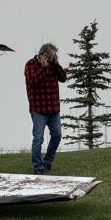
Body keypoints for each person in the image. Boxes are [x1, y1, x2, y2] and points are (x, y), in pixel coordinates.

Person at [25, 43, 68, 174]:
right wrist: (43, 68)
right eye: (50, 57)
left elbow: (63, 78)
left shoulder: (53, 65)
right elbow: (33, 80)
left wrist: (56, 64)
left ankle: (47, 161)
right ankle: (38, 166)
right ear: (43, 55)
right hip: (38, 109)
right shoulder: (30, 64)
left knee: (57, 135)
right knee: (38, 138)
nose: (51, 59)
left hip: (53, 108)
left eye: (53, 57)